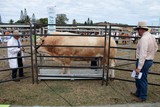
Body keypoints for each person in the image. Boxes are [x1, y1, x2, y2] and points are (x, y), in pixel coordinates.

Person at [131, 21, 158, 102]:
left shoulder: (144, 39)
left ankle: (142, 96)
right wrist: (151, 54)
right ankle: (138, 93)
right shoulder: (152, 37)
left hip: (143, 61)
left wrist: (139, 67)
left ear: (141, 29)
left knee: (142, 78)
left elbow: (143, 54)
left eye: (137, 30)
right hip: (148, 60)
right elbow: (156, 47)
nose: (137, 32)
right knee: (139, 78)